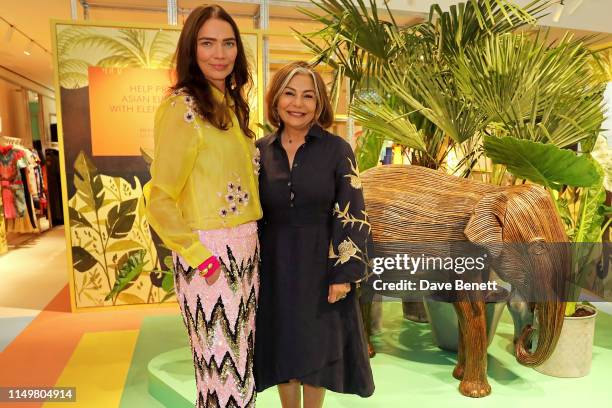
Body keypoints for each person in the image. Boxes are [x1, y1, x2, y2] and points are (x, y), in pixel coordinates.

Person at [144, 5, 262, 407]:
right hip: (210, 255)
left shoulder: (230, 104)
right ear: (191, 50)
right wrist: (199, 257)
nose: (220, 53)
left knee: (239, 367)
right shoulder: (183, 107)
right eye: (207, 43)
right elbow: (158, 199)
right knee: (220, 368)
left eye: (228, 43)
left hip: (245, 251)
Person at [254, 61, 375, 407]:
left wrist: (343, 275)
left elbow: (353, 211)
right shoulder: (260, 150)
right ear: (276, 99)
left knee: (315, 351)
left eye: (308, 96)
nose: (298, 103)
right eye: (290, 93)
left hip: (322, 265)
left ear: (320, 103)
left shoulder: (338, 149)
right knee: (283, 348)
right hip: (274, 266)